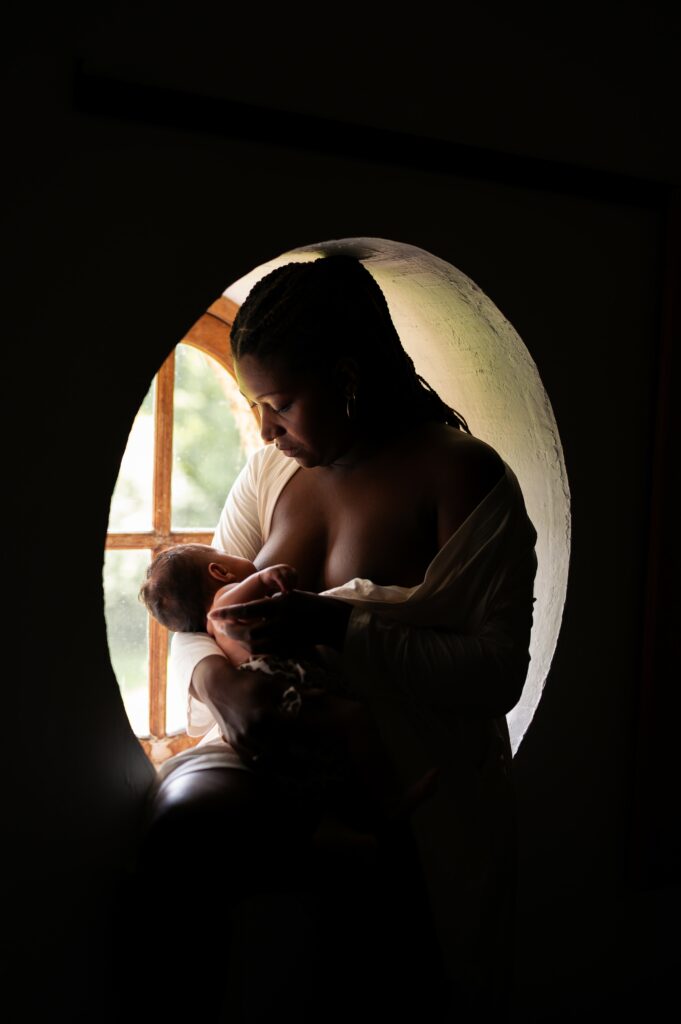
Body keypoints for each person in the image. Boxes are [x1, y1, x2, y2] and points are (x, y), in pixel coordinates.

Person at [141, 253, 538, 1022]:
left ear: (348, 377)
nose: (265, 427)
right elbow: (199, 622)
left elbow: (495, 674)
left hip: (411, 788)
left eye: (281, 402)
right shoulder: (267, 476)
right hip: (283, 763)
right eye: (258, 404)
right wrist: (225, 687)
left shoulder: (462, 476)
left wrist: (334, 625)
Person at [139, 542, 439, 840]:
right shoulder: (223, 600)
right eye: (226, 555)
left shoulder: (205, 628)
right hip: (277, 683)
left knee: (329, 763)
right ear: (219, 570)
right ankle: (387, 801)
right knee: (353, 718)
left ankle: (361, 816)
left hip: (277, 690)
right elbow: (224, 611)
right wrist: (262, 578)